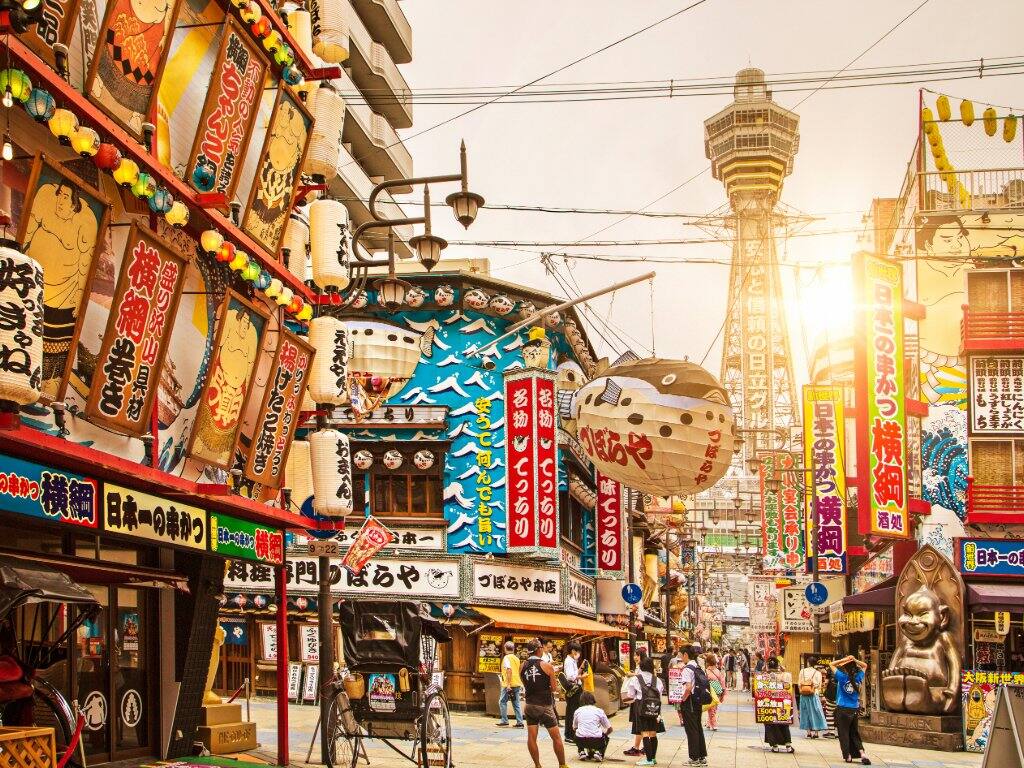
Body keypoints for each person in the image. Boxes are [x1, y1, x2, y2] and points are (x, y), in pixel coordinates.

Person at [520, 639, 569, 768]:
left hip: (529, 705)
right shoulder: (546, 666)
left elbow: (525, 684)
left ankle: (537, 765)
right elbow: (554, 688)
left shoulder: (522, 666)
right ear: (539, 649)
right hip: (545, 705)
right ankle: (562, 765)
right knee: (556, 737)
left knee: (532, 737)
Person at [623, 655, 664, 766]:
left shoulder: (636, 679)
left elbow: (630, 695)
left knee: (645, 733)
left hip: (641, 707)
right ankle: (653, 758)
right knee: (653, 734)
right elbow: (659, 696)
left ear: (641, 666)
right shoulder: (657, 680)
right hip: (655, 709)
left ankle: (649, 760)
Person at [830, 655, 871, 765]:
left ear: (846, 668)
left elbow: (831, 664)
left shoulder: (842, 677)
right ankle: (862, 754)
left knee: (843, 734)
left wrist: (844, 660)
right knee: (854, 733)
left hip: (842, 709)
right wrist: (854, 660)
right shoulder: (858, 678)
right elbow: (865, 665)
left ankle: (848, 756)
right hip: (854, 710)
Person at [678, 645, 708, 766]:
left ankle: (694, 758)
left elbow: (688, 687)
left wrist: (682, 699)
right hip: (697, 701)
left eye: (680, 655)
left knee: (691, 730)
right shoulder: (697, 666)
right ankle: (701, 757)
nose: (680, 657)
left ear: (685, 655)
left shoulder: (687, 669)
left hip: (689, 702)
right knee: (698, 728)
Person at [762, 657, 795, 753]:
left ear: (767, 666)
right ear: (778, 665)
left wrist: (764, 671)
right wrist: (783, 670)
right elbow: (789, 684)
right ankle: (788, 746)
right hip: (782, 703)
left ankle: (775, 746)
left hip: (769, 703)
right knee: (784, 723)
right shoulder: (785, 675)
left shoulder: (765, 676)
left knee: (770, 724)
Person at [572, 691, 613, 762]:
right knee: (605, 737)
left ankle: (581, 751)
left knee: (577, 732)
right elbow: (610, 729)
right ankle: (599, 752)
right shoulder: (599, 711)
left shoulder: (578, 711)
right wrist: (605, 735)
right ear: (593, 700)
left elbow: (574, 727)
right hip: (597, 740)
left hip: (580, 740)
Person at [623, 649, 648, 757]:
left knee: (641, 725)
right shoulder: (641, 668)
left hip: (640, 701)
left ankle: (640, 748)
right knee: (641, 725)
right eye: (634, 655)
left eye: (637, 655)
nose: (635, 657)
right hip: (644, 701)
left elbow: (637, 683)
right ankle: (640, 747)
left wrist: (631, 676)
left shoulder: (642, 669)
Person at [798, 658, 828, 739]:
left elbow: (799, 683)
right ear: (815, 664)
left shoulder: (802, 671)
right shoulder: (818, 673)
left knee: (805, 712)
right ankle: (816, 733)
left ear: (808, 663)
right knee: (816, 712)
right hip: (814, 694)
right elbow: (819, 685)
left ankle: (808, 732)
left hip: (804, 694)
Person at [562, 641, 584, 747]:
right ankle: (569, 735)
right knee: (572, 712)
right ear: (572, 651)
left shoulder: (572, 660)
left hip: (576, 688)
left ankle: (572, 734)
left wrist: (580, 670)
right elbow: (570, 676)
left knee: (574, 711)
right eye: (577, 651)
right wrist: (581, 676)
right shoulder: (568, 661)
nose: (578, 654)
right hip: (573, 689)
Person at [497, 641, 524, 727]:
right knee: (516, 703)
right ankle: (520, 722)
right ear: (513, 649)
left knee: (502, 702)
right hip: (517, 682)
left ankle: (504, 720)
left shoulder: (506, 658)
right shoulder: (516, 658)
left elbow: (509, 670)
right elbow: (519, 670)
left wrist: (508, 684)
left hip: (508, 684)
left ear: (505, 648)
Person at [704, 652, 726, 731]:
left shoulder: (706, 671)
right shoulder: (718, 671)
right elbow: (722, 682)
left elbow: (704, 681)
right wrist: (723, 692)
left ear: (707, 662)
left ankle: (714, 724)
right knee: (713, 708)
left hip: (710, 691)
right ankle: (709, 723)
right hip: (718, 691)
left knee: (711, 708)